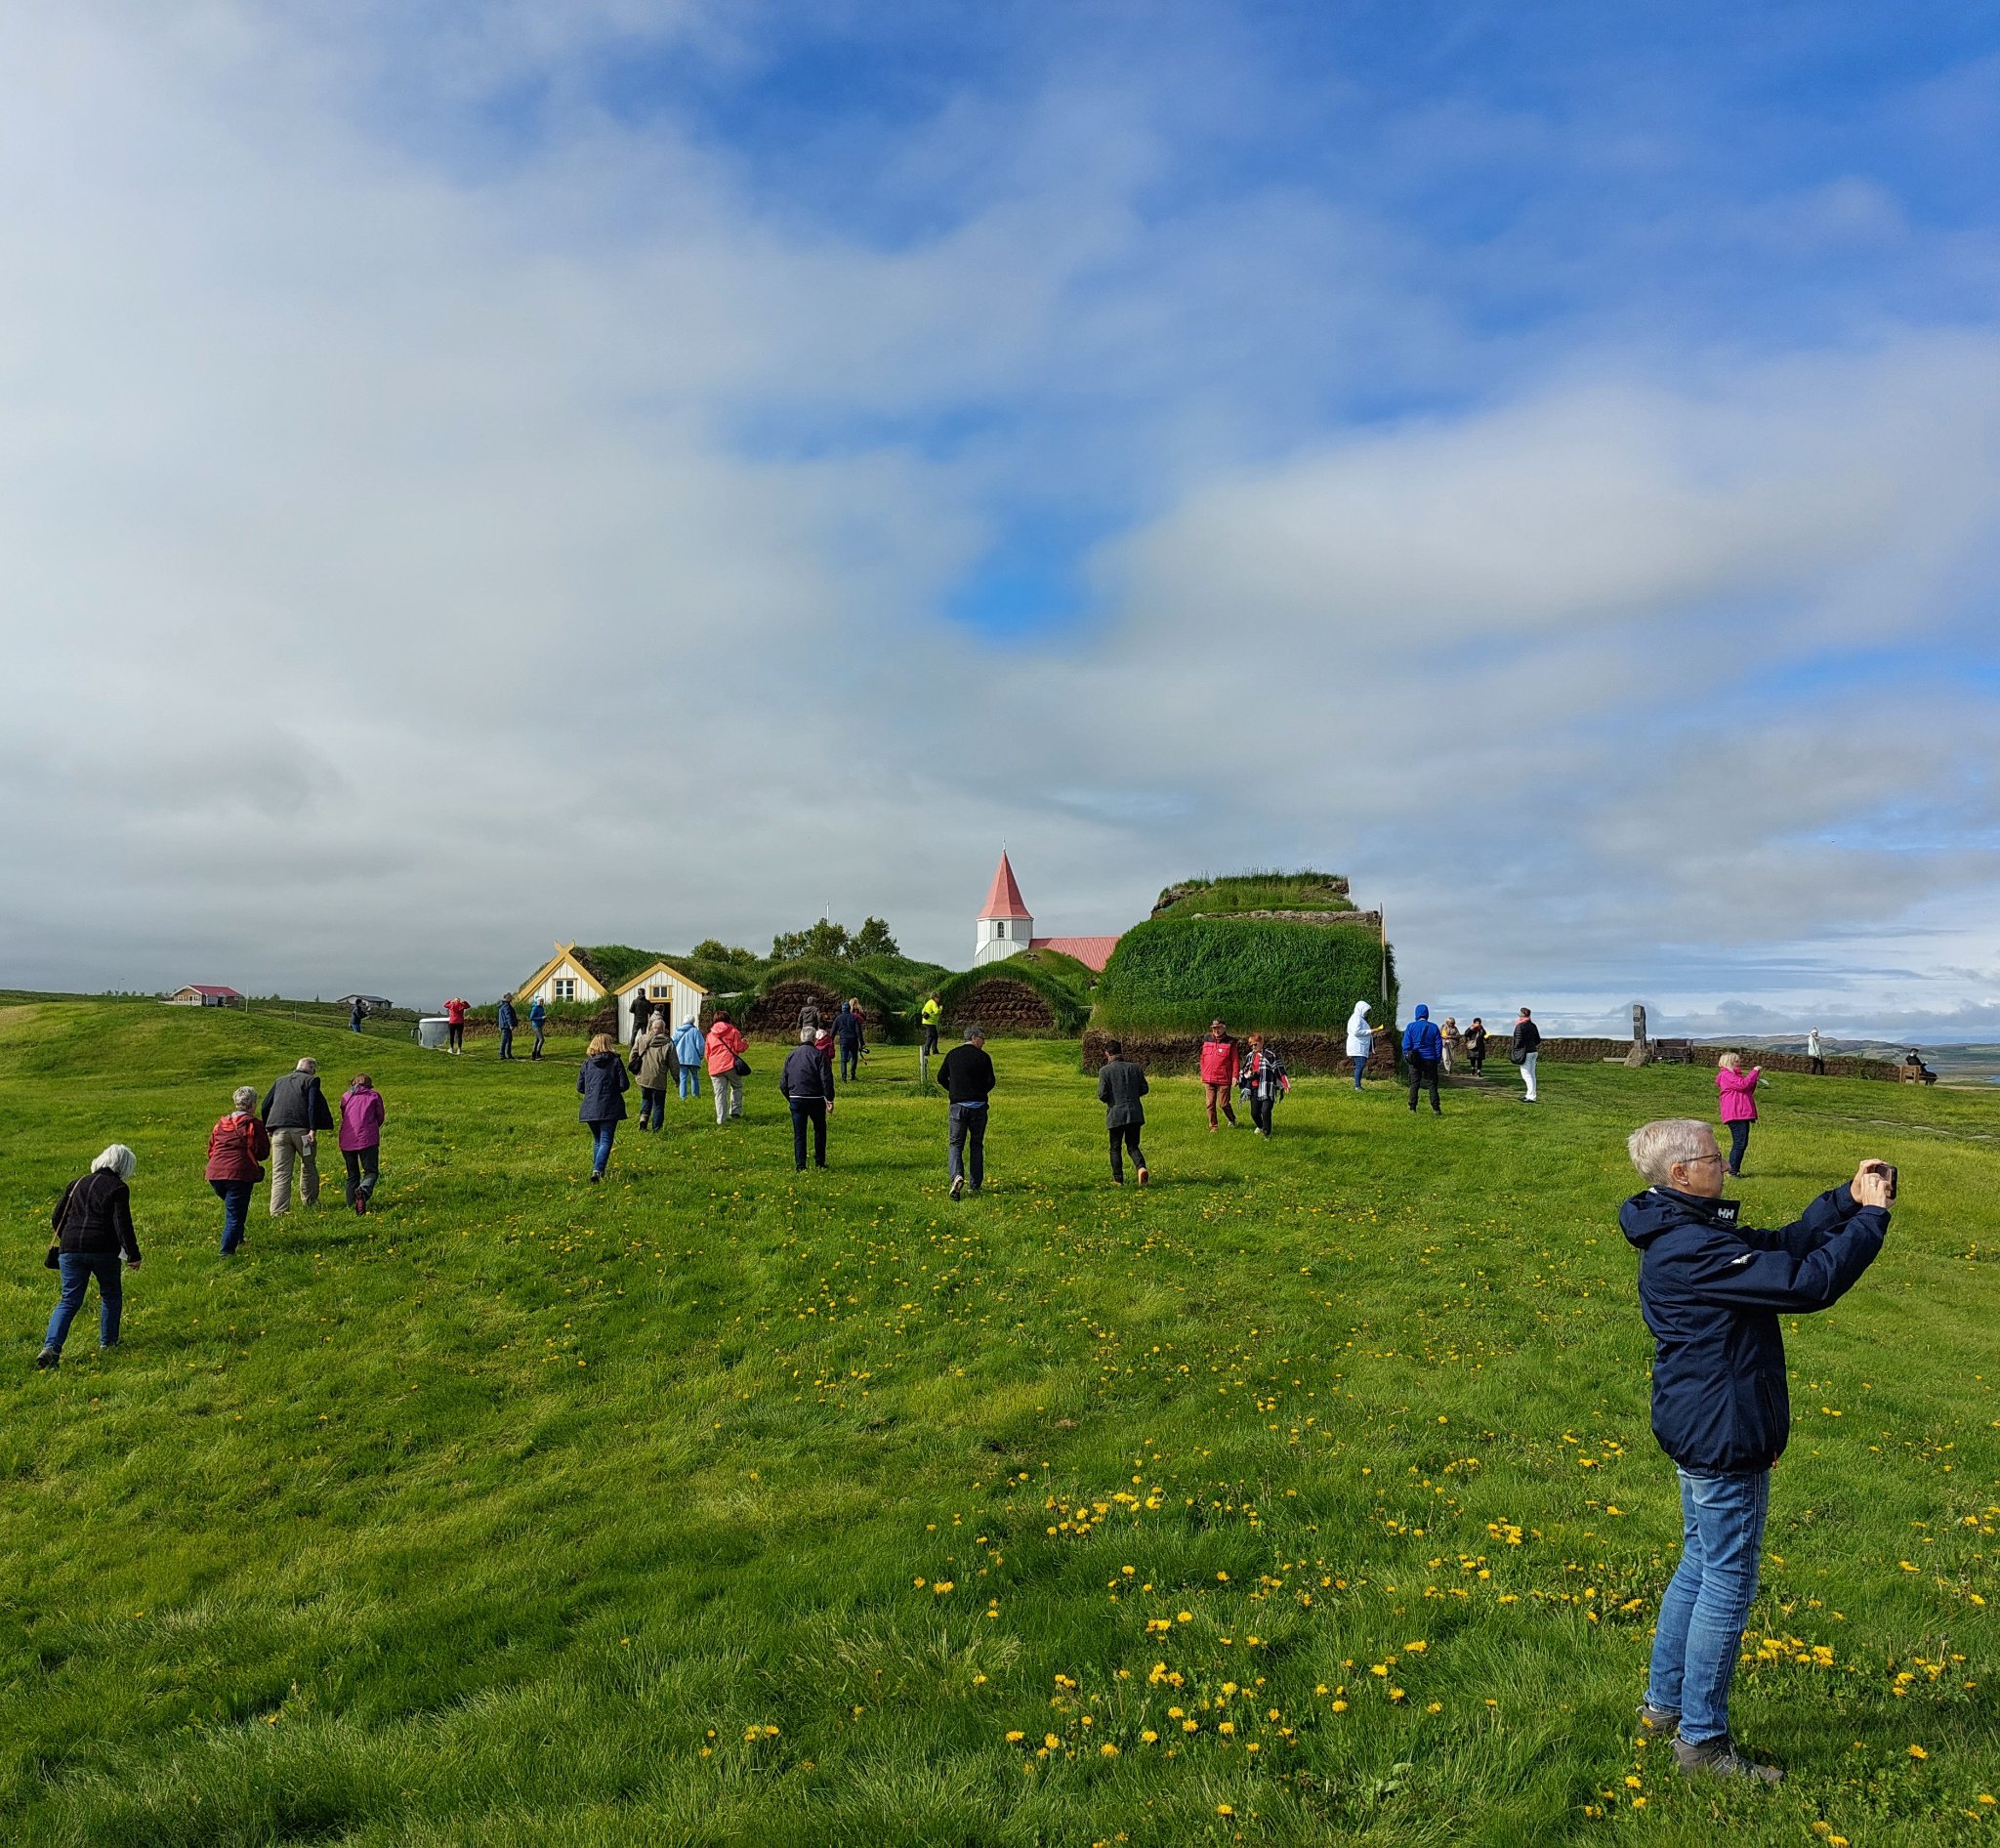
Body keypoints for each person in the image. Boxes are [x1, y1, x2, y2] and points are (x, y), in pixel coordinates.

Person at [1620, 1119, 1892, 1783]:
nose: (1725, 1164)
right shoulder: (1690, 1246)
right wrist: (1873, 1222)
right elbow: (1807, 1284)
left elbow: (1780, 1248)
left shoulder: (1685, 1227)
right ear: (1681, 1173)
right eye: (1716, 1157)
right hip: (1722, 1428)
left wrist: (1844, 1201)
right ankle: (1702, 1742)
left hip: (1704, 1419)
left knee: (1700, 1562)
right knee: (1727, 1580)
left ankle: (1662, 1708)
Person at [38, 1146, 141, 1367]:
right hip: (103, 1249)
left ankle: (51, 1347)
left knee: (69, 1300)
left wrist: (68, 1235)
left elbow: (57, 1217)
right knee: (111, 1294)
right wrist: (133, 1254)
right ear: (124, 1167)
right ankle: (108, 1343)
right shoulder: (118, 1187)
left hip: (70, 1249)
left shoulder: (76, 1184)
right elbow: (122, 1224)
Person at [261, 1057, 333, 1215]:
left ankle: (278, 1211)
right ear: (311, 1068)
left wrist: (268, 1127)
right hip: (303, 1133)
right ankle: (310, 1201)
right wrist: (313, 1129)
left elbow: (265, 1104)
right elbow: (312, 1105)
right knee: (308, 1165)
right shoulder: (311, 1081)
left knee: (280, 1172)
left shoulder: (280, 1081)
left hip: (279, 1132)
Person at [204, 1087, 269, 1256]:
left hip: (214, 1173)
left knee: (235, 1208)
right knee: (234, 1214)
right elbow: (263, 1153)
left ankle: (238, 1238)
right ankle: (226, 1252)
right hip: (239, 1174)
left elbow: (211, 1148)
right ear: (253, 1104)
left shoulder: (221, 1123)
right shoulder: (254, 1124)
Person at [937, 1025, 997, 1199]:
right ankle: (975, 1184)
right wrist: (980, 1092)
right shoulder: (984, 1058)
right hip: (978, 1107)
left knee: (956, 1144)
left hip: (958, 1106)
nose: (984, 1042)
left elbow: (941, 1077)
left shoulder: (952, 1055)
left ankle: (956, 1176)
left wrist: (953, 1090)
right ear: (973, 1038)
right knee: (976, 1145)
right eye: (982, 1038)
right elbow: (991, 1081)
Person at [779, 1024, 836, 1171]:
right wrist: (829, 1099)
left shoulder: (791, 1055)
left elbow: (783, 1083)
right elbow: (826, 1079)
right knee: (820, 1130)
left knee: (799, 1134)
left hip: (796, 1098)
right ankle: (820, 1162)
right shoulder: (819, 1055)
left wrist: (790, 1097)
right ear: (815, 1040)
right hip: (815, 1099)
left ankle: (800, 1166)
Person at [577, 1032, 630, 1181]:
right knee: (606, 1140)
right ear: (609, 1045)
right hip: (609, 1105)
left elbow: (580, 1087)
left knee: (597, 1140)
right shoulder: (615, 1062)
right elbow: (624, 1084)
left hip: (590, 1107)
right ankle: (598, 1170)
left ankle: (597, 1169)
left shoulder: (587, 1063)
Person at [1097, 1040, 1150, 1185]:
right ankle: (1141, 1168)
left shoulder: (1105, 1071)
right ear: (1121, 1051)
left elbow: (1102, 1094)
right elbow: (1144, 1089)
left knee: (1115, 1147)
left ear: (1107, 1054)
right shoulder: (1135, 1068)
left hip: (1116, 1114)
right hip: (1135, 1113)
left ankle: (1118, 1180)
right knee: (1132, 1146)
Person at [339, 1074, 385, 1213]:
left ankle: (351, 1205)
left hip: (346, 1139)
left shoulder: (346, 1096)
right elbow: (380, 1117)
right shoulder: (374, 1096)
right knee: (371, 1171)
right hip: (367, 1139)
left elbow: (343, 1114)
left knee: (352, 1174)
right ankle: (363, 1191)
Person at [1715, 1053, 1761, 1178]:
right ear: (1729, 1062)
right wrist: (1754, 1072)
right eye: (1736, 1061)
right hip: (1735, 1113)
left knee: (1742, 1142)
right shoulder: (1726, 1075)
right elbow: (1743, 1085)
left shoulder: (1734, 1076)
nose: (1738, 1063)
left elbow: (1747, 1088)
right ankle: (1732, 1171)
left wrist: (1754, 1077)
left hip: (1741, 1113)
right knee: (1739, 1143)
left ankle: (1734, 1170)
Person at [1239, 1032, 1289, 1137]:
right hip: (1254, 1088)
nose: (1253, 1047)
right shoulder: (1250, 1056)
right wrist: (1249, 1075)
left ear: (1261, 1043)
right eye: (1251, 1045)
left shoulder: (1270, 1055)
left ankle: (1267, 1134)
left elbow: (1279, 1070)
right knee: (1254, 1113)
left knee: (1265, 1111)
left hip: (1267, 1088)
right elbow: (1244, 1070)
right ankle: (1261, 1126)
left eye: (1255, 1044)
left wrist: (1285, 1084)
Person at [632, 1012, 675, 1130]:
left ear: (652, 1028)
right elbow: (674, 1063)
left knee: (646, 1098)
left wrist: (636, 1070)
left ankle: (643, 1119)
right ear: (664, 1029)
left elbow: (633, 1055)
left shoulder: (642, 1039)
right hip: (659, 1077)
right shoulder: (668, 1043)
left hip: (643, 1076)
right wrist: (677, 1079)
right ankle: (657, 1128)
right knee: (658, 1105)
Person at [706, 1009, 748, 1125]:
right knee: (737, 1086)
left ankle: (721, 1119)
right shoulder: (733, 1031)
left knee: (719, 1093)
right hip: (730, 1064)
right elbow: (739, 1047)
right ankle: (735, 1112)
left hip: (715, 1066)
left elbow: (707, 1053)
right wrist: (745, 1043)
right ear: (728, 1019)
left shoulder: (710, 1035)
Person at [1402, 1004, 1443, 1114]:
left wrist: (1407, 1056)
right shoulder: (1434, 1027)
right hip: (1430, 1058)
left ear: (1416, 1014)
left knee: (1414, 1084)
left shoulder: (1411, 1026)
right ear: (1427, 1014)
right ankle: (1436, 1108)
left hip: (1415, 1059)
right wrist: (1437, 1058)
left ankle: (1412, 1107)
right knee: (1432, 1084)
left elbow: (1406, 1044)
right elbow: (1438, 1044)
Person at [1199, 1020, 1239, 1128]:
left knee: (1223, 1104)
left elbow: (1235, 1060)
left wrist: (1235, 1076)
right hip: (1208, 1078)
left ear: (1223, 1028)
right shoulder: (1207, 1039)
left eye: (1218, 1027)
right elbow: (1203, 1057)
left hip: (1224, 1078)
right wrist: (1203, 1072)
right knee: (1210, 1104)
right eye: (1214, 1028)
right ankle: (1213, 1126)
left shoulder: (1231, 1042)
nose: (1216, 1030)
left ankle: (1232, 1119)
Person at [1511, 1007, 1541, 1102]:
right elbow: (1538, 1040)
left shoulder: (1520, 1026)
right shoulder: (1533, 1025)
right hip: (1533, 1051)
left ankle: (1531, 1097)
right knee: (1532, 1074)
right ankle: (1530, 1095)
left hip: (1525, 1052)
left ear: (1520, 1015)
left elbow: (1518, 1040)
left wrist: (1516, 1049)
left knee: (1526, 1075)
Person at [672, 1014, 704, 1100]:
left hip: (680, 1058)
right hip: (693, 1058)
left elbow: (673, 1044)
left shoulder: (677, 1031)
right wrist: (700, 1056)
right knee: (695, 1077)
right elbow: (700, 1045)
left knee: (683, 1078)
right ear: (693, 1021)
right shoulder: (695, 1031)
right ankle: (695, 1095)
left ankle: (683, 1096)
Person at [1345, 1000, 1374, 1091]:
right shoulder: (1356, 1018)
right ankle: (1357, 1086)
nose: (1367, 1013)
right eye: (1366, 1011)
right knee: (1360, 1065)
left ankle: (1358, 1086)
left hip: (1360, 1046)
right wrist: (1370, 1031)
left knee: (1360, 1065)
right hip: (1357, 1046)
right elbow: (1357, 1032)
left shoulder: (1359, 1018)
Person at [833, 1000, 864, 1083]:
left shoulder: (838, 1019)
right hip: (853, 1040)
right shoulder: (854, 1018)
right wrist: (862, 1042)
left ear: (842, 1010)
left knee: (843, 1060)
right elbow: (859, 1031)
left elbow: (833, 1032)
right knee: (854, 1058)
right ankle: (853, 1075)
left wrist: (830, 1041)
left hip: (843, 1041)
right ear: (849, 1009)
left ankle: (844, 1078)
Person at [921, 994, 943, 1059]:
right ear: (935, 997)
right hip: (930, 1022)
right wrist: (940, 1009)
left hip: (927, 1022)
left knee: (935, 1036)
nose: (939, 999)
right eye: (938, 998)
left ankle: (935, 1050)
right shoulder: (933, 1003)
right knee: (930, 1037)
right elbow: (936, 1012)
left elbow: (922, 1011)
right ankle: (926, 1051)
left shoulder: (929, 1002)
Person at [496, 992, 518, 1061]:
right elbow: (508, 1016)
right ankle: (502, 1054)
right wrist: (510, 1024)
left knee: (508, 1040)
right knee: (505, 1040)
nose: (512, 998)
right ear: (508, 998)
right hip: (506, 1026)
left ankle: (508, 1054)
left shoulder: (503, 1005)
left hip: (504, 1025)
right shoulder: (506, 1006)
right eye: (511, 997)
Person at [528, 995, 548, 1060]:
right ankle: (537, 1054)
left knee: (537, 1040)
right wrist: (541, 1018)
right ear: (537, 1001)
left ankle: (533, 1055)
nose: (541, 1002)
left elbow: (542, 1015)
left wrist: (544, 1018)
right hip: (535, 1026)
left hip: (540, 1025)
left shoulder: (541, 1008)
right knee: (542, 1039)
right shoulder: (535, 1008)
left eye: (542, 1001)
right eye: (540, 1001)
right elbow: (531, 1018)